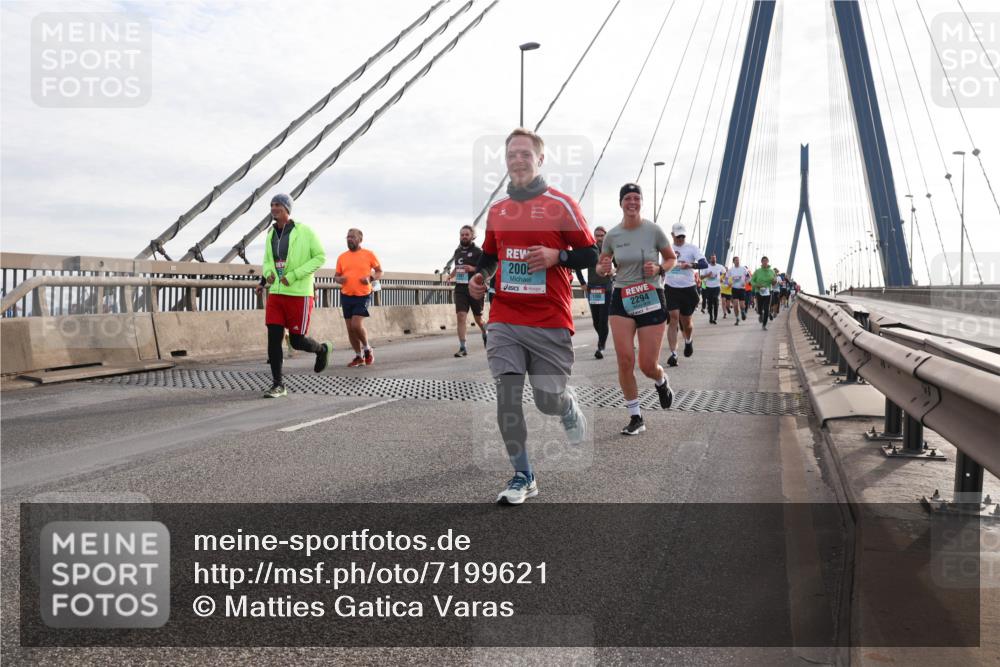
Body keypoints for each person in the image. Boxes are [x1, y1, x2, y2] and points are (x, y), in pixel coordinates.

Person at [468, 127, 597, 505]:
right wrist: (481, 278)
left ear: (540, 159)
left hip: (549, 319)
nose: (518, 160)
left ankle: (566, 405)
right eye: (512, 155)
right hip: (506, 316)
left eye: (526, 154)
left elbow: (590, 254)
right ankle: (523, 475)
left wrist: (560, 256)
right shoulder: (498, 210)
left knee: (546, 399)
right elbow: (489, 257)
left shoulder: (561, 204)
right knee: (507, 397)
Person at [598, 183, 676, 435]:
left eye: (636, 198)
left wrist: (661, 269)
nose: (632, 202)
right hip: (622, 296)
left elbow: (670, 257)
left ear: (641, 202)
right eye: (627, 198)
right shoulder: (612, 235)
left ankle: (661, 381)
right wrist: (605, 268)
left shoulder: (653, 230)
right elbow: (602, 267)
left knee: (646, 365)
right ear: (620, 203)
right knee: (624, 359)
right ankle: (636, 416)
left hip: (651, 296)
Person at [258, 193, 331, 398]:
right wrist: (269, 274)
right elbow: (266, 261)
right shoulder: (270, 234)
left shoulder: (304, 231)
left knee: (297, 341)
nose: (274, 208)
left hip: (299, 293)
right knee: (273, 339)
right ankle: (278, 384)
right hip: (277, 294)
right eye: (272, 205)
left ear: (287, 209)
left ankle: (322, 350)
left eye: (278, 205)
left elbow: (320, 257)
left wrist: (295, 275)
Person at [334, 228, 382, 367]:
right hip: (346, 295)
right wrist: (339, 279)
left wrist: (371, 277)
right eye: (348, 237)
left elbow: (380, 271)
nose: (349, 239)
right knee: (350, 328)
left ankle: (367, 349)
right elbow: (336, 276)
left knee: (356, 324)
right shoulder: (342, 257)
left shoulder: (368, 254)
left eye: (352, 237)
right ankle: (358, 356)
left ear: (360, 239)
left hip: (363, 294)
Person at [664, 222, 708, 367]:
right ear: (672, 235)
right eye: (678, 236)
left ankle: (688, 341)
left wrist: (691, 265)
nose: (680, 239)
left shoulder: (692, 248)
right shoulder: (666, 249)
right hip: (671, 288)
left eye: (683, 236)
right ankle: (673, 354)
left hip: (688, 289)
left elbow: (704, 264)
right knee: (673, 319)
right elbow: (661, 266)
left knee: (686, 323)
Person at [446, 224, 487, 357]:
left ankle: (485, 331)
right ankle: (463, 347)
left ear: (472, 236)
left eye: (466, 234)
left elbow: (486, 269)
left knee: (478, 318)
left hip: (474, 288)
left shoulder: (478, 252)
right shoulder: (457, 251)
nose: (464, 237)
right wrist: (450, 276)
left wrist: (472, 268)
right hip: (460, 288)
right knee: (461, 316)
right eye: (462, 234)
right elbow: (457, 267)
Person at [575, 225, 611, 359]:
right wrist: (582, 283)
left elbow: (620, 265)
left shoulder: (610, 250)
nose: (599, 238)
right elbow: (577, 265)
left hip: (606, 288)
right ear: (593, 236)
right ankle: (602, 340)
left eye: (602, 235)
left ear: (606, 236)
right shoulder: (590, 251)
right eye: (597, 235)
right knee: (596, 321)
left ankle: (601, 347)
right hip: (593, 289)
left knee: (603, 319)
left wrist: (614, 272)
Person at [750, 256, 778, 330]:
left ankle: (764, 325)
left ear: (768, 262)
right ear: (761, 262)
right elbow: (752, 281)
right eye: (763, 261)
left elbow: (774, 282)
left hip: (768, 292)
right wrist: (757, 285)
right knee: (759, 309)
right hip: (758, 292)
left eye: (766, 261)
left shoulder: (772, 271)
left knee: (766, 309)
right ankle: (760, 314)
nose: (765, 262)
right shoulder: (757, 271)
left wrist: (774, 282)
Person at [699, 254, 724, 325]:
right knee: (709, 303)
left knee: (715, 299)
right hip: (708, 287)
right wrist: (707, 275)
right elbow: (701, 277)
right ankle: (711, 317)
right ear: (710, 259)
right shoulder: (706, 267)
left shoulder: (720, 266)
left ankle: (715, 317)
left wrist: (722, 278)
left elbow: (725, 272)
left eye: (715, 258)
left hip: (717, 286)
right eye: (712, 258)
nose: (714, 259)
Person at [727, 255, 751, 325]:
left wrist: (745, 283)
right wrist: (729, 283)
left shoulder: (743, 269)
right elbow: (726, 278)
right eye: (736, 260)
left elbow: (749, 277)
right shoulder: (731, 270)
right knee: (735, 305)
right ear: (733, 262)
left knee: (741, 305)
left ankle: (743, 312)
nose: (737, 261)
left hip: (742, 289)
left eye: (738, 260)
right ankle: (737, 318)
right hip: (734, 288)